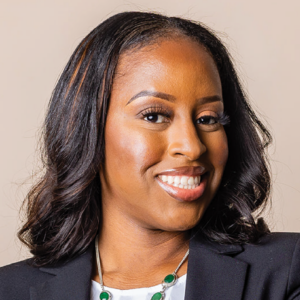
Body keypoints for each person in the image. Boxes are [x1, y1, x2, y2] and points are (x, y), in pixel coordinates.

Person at [0, 11, 299, 300]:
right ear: (86, 129)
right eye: (154, 116)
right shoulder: (9, 289)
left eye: (208, 119)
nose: (193, 147)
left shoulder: (286, 272)